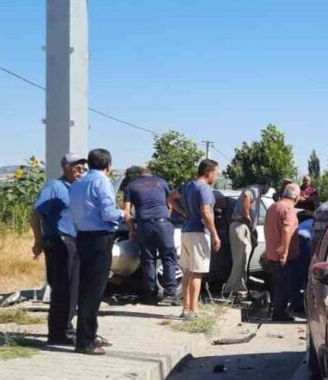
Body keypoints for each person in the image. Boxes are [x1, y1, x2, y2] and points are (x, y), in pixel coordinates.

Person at [69, 148, 125, 355]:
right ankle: (86, 340)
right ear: (108, 166)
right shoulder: (102, 181)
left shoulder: (78, 183)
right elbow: (108, 213)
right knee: (94, 290)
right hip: (100, 238)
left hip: (82, 236)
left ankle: (86, 335)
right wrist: (124, 213)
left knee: (86, 288)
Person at [30, 153, 86, 346]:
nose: (81, 171)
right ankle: (58, 333)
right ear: (66, 168)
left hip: (75, 242)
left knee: (73, 288)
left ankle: (66, 328)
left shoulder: (78, 188)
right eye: (77, 167)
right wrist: (39, 241)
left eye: (83, 168)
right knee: (62, 288)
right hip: (59, 243)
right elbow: (35, 215)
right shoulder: (54, 187)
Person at [124, 167, 178, 306]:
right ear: (151, 173)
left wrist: (132, 230)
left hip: (144, 225)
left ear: (139, 175)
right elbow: (170, 204)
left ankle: (149, 296)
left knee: (148, 260)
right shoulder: (162, 182)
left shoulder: (131, 186)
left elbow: (127, 212)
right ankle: (170, 295)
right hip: (162, 223)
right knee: (169, 259)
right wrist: (166, 219)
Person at [174, 159, 221, 318]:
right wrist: (214, 234)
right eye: (216, 172)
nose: (217, 176)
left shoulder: (187, 186)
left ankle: (185, 309)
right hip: (199, 232)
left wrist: (183, 212)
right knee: (197, 272)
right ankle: (193, 310)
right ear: (208, 172)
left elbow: (170, 198)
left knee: (188, 271)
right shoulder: (205, 188)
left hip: (186, 230)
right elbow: (206, 212)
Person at [222, 176, 270, 300]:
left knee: (242, 260)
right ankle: (235, 291)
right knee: (240, 260)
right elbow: (247, 196)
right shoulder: (255, 189)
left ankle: (238, 290)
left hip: (243, 227)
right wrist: (246, 215)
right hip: (241, 225)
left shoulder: (256, 191)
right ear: (266, 185)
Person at [264, 182, 300, 322]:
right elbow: (287, 230)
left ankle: (277, 310)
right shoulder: (289, 209)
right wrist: (284, 253)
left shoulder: (274, 206)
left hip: (272, 253)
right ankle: (279, 313)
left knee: (277, 284)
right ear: (296, 197)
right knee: (283, 286)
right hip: (283, 256)